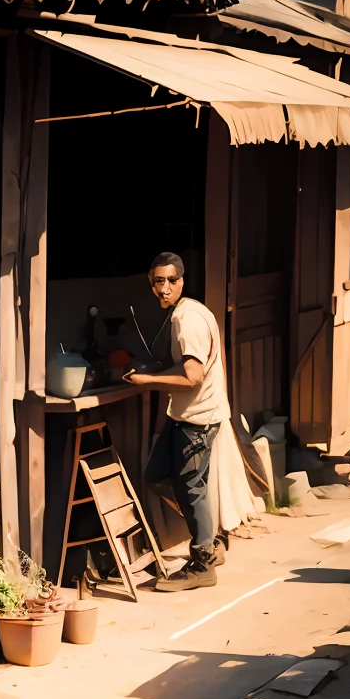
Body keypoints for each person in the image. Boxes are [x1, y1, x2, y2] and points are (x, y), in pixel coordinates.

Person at [123, 252, 230, 591]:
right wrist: (154, 372)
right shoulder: (187, 311)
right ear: (151, 285)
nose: (165, 288)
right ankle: (209, 539)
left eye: (171, 281)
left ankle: (203, 564)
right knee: (157, 476)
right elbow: (185, 369)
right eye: (159, 282)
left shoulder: (188, 319)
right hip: (183, 414)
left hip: (198, 418)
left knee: (191, 488)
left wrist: (146, 382)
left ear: (182, 281)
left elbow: (193, 376)